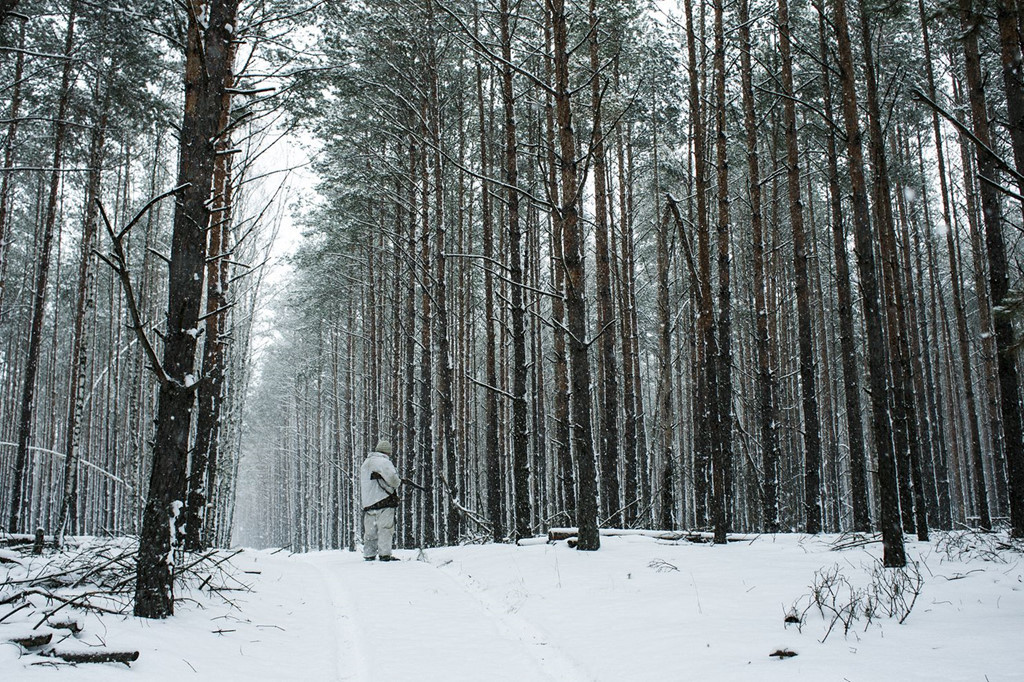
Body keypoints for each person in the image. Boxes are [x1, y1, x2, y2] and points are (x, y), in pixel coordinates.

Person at [360, 439, 402, 561]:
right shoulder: (383, 462)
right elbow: (394, 481)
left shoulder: (366, 463)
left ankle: (369, 554)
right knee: (385, 529)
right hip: (384, 501)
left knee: (370, 532)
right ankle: (385, 555)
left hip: (368, 503)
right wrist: (398, 482)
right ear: (387, 452)